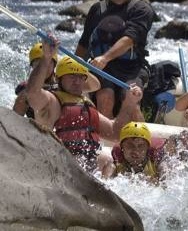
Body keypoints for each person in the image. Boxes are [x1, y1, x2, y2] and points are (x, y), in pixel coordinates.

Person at [26, 34, 144, 174]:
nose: (77, 82)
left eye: (81, 77)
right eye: (71, 77)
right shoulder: (51, 100)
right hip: (56, 164)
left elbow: (115, 133)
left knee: (106, 160)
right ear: (59, 79)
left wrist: (128, 104)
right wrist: (46, 58)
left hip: (85, 166)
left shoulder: (86, 105)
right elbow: (32, 93)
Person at [75, 0, 155, 119]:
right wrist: (73, 68)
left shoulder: (142, 9)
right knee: (105, 98)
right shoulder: (97, 9)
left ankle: (139, 138)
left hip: (133, 68)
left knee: (131, 99)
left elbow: (129, 39)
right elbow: (84, 43)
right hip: (103, 69)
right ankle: (107, 141)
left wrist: (105, 58)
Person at [108, 121, 188, 182]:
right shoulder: (116, 160)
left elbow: (167, 184)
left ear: (147, 148)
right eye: (130, 145)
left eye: (141, 146)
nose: (136, 150)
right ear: (122, 147)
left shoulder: (157, 159)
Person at [13, 42, 58, 118]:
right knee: (24, 95)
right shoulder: (25, 89)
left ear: (54, 65)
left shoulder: (62, 84)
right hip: (33, 125)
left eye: (48, 63)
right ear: (32, 66)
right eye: (38, 64)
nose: (44, 68)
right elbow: (14, 118)